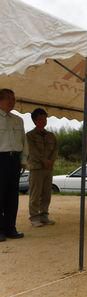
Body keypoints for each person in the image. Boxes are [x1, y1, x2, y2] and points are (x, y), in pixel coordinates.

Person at [0, 89, 28, 242]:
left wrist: (23, 160)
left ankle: (11, 228)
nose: (12, 101)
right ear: (0, 100)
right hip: (1, 158)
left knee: (12, 196)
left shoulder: (18, 120)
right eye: (9, 99)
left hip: (14, 160)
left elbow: (24, 142)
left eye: (13, 98)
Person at [26, 108, 58, 227]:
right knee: (35, 193)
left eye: (45, 118)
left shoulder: (51, 135)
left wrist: (51, 161)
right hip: (36, 168)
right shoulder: (30, 135)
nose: (43, 121)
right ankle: (34, 217)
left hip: (48, 168)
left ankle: (44, 215)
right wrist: (44, 160)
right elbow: (32, 151)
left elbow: (55, 150)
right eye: (40, 119)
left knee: (46, 193)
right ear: (34, 120)